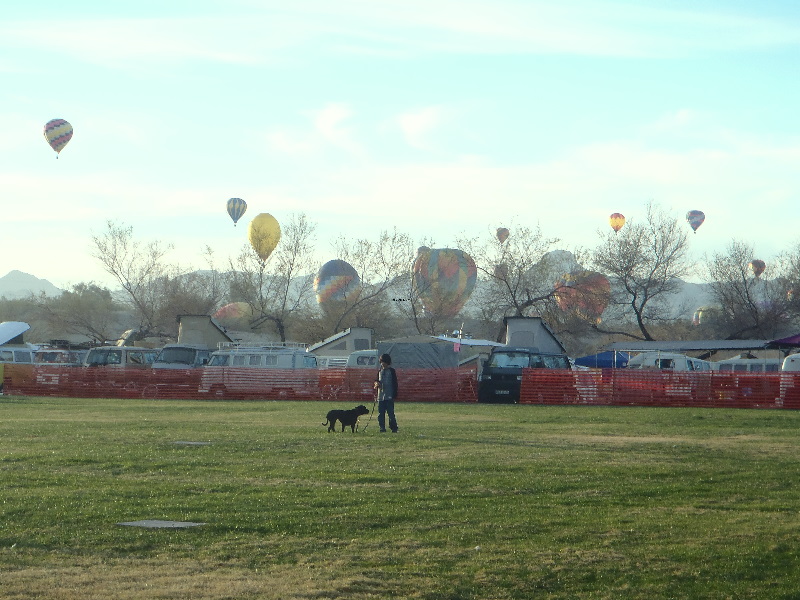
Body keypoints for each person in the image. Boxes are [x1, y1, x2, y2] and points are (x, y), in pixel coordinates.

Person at [374, 353, 399, 433]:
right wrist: (376, 383)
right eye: (381, 362)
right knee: (381, 414)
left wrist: (394, 394)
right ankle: (382, 428)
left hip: (389, 396)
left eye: (384, 362)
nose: (382, 364)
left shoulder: (392, 371)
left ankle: (394, 428)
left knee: (391, 413)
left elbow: (395, 383)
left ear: (387, 362)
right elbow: (376, 380)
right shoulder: (379, 371)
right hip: (380, 396)